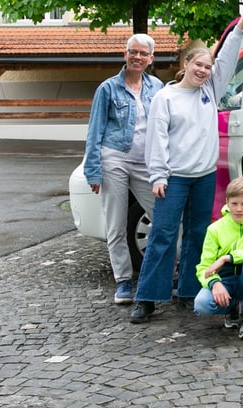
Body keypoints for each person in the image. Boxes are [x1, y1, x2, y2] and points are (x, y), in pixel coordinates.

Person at [129, 11, 243, 324]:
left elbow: (225, 59)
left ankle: (187, 291)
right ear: (186, 64)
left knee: (198, 235)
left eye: (207, 67)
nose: (203, 71)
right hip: (174, 178)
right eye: (198, 65)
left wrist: (238, 28)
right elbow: (156, 140)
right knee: (163, 236)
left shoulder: (210, 90)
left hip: (204, 177)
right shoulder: (166, 97)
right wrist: (158, 175)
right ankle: (147, 297)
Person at [83, 34, 163, 305]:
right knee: (116, 223)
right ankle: (123, 281)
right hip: (114, 158)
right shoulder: (108, 88)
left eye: (143, 53)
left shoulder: (158, 87)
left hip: (145, 161)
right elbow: (94, 132)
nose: (137, 57)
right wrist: (93, 171)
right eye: (133, 52)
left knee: (163, 216)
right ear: (125, 54)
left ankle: (161, 271)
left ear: (151, 58)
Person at [193, 177, 243, 340]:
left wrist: (226, 258)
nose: (239, 209)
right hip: (225, 279)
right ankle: (231, 306)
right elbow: (204, 267)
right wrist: (215, 284)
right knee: (201, 305)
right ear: (227, 202)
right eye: (234, 203)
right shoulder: (214, 229)